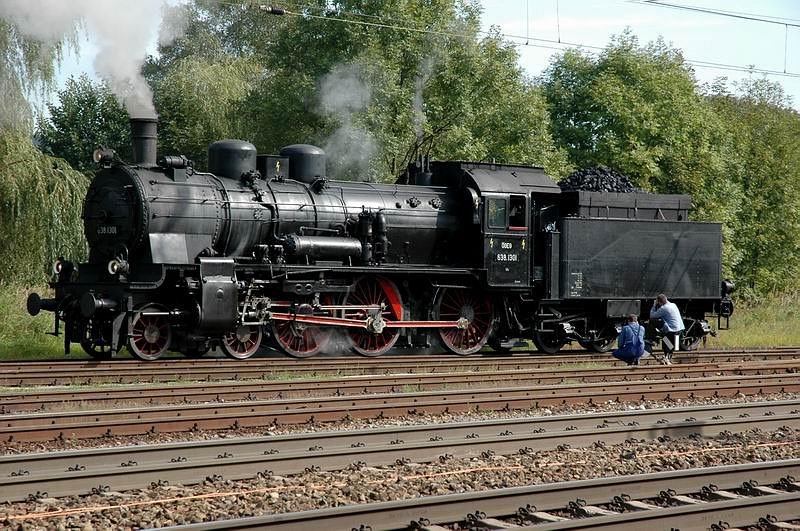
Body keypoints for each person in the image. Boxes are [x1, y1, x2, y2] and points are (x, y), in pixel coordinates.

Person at [649, 293, 685, 365]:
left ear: (659, 302)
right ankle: (669, 357)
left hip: (672, 330)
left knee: (665, 338)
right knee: (675, 346)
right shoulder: (673, 304)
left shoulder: (664, 308)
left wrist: (654, 306)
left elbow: (652, 315)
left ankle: (666, 357)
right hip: (680, 329)